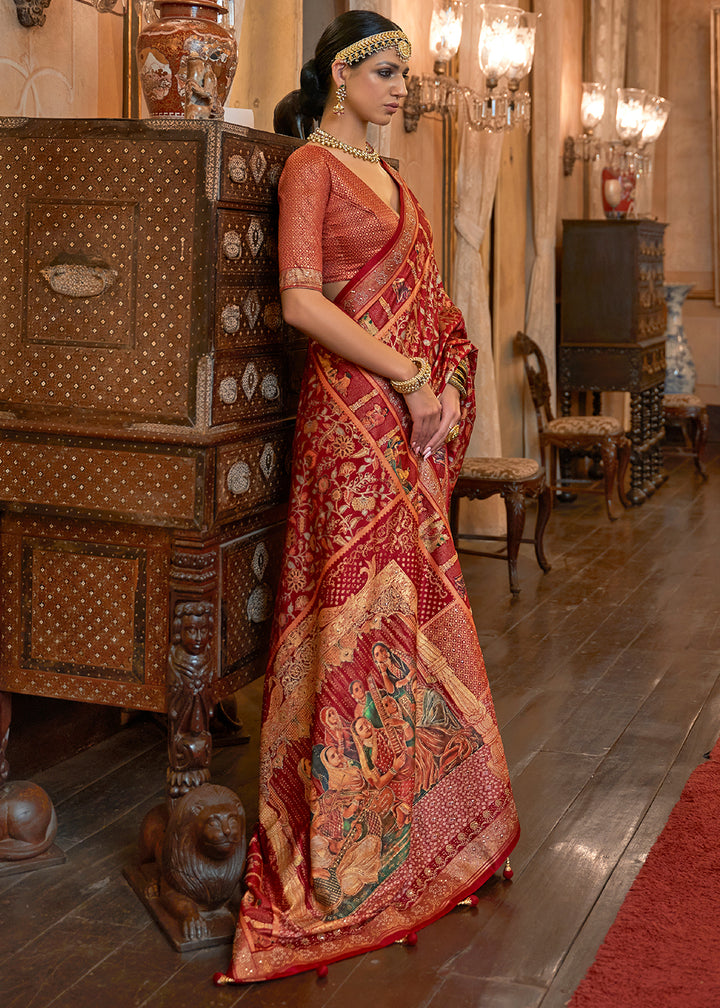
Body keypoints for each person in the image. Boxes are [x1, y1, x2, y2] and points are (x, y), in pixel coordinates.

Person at [217, 9, 519, 986]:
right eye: (384, 71)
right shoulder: (312, 169)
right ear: (340, 74)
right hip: (348, 418)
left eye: (404, 73)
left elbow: (428, 303)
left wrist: (434, 390)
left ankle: (423, 827)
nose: (399, 87)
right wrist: (405, 375)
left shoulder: (395, 179)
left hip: (403, 421)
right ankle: (343, 849)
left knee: (407, 609)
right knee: (349, 609)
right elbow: (301, 301)